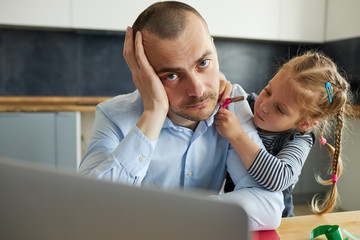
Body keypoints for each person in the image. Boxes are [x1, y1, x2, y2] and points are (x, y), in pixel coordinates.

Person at [78, 1, 283, 231]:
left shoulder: (231, 103)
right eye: (172, 76)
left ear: (214, 50)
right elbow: (88, 211)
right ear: (144, 74)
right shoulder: (113, 116)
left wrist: (178, 215)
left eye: (203, 63)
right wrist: (154, 112)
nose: (197, 90)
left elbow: (269, 205)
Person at [215, 51, 353, 216]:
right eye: (268, 91)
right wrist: (222, 86)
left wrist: (237, 135)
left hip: (277, 222)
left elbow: (278, 178)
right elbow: (227, 90)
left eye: (279, 109)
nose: (264, 106)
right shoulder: (248, 105)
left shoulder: (299, 139)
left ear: (304, 123)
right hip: (237, 214)